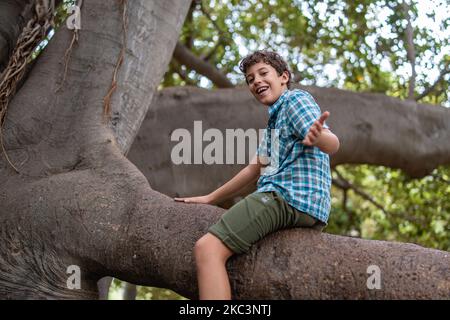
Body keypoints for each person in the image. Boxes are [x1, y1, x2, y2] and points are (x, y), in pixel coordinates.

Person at [175, 50, 340, 300]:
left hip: (286, 197)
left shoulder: (294, 101)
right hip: (307, 208)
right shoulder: (274, 122)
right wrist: (211, 197)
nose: (256, 81)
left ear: (284, 77)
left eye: (263, 73)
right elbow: (254, 169)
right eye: (251, 79)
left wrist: (320, 137)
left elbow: (333, 143)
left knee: (207, 249)